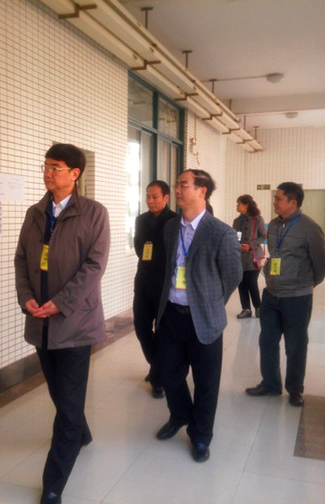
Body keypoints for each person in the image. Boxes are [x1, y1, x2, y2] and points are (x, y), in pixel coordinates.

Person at [14, 144, 110, 504]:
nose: (48, 172)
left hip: (75, 324)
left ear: (75, 174)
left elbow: (94, 266)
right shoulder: (35, 213)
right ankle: (80, 432)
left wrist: (61, 303)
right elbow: (21, 259)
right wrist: (26, 297)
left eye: (55, 167)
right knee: (60, 393)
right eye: (46, 166)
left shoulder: (94, 213)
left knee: (67, 406)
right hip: (40, 322)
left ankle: (53, 484)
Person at [154, 169, 242, 463]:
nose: (177, 190)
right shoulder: (170, 228)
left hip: (204, 319)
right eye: (177, 185)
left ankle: (201, 435)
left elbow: (232, 276)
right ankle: (180, 414)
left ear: (202, 190)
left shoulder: (221, 232)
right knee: (168, 372)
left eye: (183, 185)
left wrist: (211, 304)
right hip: (171, 315)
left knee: (206, 383)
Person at [245, 182, 325, 407]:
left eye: (279, 198)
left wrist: (306, 284)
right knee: (267, 341)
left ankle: (295, 389)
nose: (274, 202)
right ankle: (270, 384)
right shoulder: (273, 224)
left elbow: (322, 263)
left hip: (297, 298)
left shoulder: (309, 228)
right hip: (271, 294)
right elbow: (274, 255)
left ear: (293, 202)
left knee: (295, 345)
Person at [133, 181, 177, 398]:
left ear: (166, 198)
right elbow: (138, 246)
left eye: (155, 197)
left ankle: (158, 378)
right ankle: (158, 366)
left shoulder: (175, 221)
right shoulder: (141, 219)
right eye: (147, 196)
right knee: (141, 327)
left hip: (164, 286)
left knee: (162, 332)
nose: (150, 201)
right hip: (143, 282)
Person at [232, 194, 267, 319]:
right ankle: (246, 309)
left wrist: (251, 245)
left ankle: (258, 308)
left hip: (253, 258)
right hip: (240, 258)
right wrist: (238, 245)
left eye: (239, 204)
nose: (237, 206)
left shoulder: (258, 219)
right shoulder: (236, 221)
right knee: (241, 284)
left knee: (252, 283)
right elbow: (235, 237)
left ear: (246, 205)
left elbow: (263, 236)